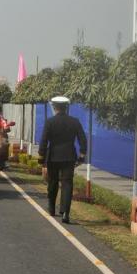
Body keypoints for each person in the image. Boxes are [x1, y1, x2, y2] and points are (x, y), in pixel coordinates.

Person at [38, 96, 87, 224]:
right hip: (69, 157)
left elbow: (43, 140)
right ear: (66, 107)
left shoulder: (50, 122)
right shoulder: (74, 121)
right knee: (67, 184)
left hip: (53, 156)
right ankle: (65, 212)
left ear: (54, 107)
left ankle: (52, 207)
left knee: (52, 182)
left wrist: (41, 156)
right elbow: (83, 139)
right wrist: (82, 155)